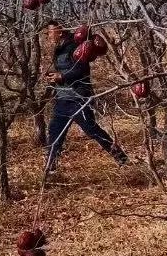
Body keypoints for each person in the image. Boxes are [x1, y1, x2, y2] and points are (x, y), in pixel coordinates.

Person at [42, 20, 127, 177]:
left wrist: (61, 76)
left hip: (79, 98)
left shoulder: (75, 45)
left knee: (92, 130)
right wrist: (53, 75)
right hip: (63, 98)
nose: (48, 36)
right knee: (54, 132)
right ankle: (50, 170)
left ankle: (122, 158)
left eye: (50, 32)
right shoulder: (59, 49)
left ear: (59, 31)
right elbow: (66, 68)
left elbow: (81, 69)